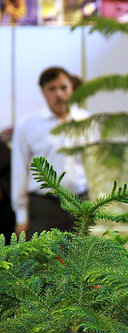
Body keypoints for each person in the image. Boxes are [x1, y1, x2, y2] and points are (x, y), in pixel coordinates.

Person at [11, 66, 90, 237]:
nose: (59, 94)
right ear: (43, 91)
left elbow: (97, 165)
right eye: (52, 89)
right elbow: (19, 171)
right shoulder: (27, 126)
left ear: (72, 87)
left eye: (63, 88)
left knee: (86, 260)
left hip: (82, 203)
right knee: (43, 262)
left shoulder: (87, 121)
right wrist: (21, 216)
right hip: (44, 206)